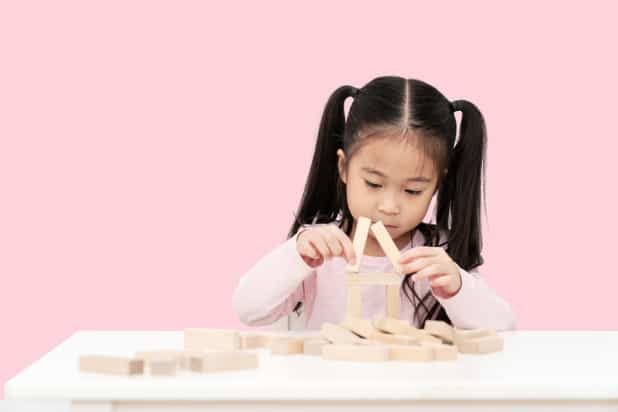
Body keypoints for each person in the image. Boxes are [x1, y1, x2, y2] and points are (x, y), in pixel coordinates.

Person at [233, 76, 516, 331]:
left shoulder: (437, 255)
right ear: (344, 168)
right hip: (330, 387)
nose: (390, 206)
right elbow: (249, 310)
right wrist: (295, 255)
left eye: (413, 190)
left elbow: (503, 328)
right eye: (373, 184)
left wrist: (457, 286)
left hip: (415, 389)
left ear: (437, 185)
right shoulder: (318, 249)